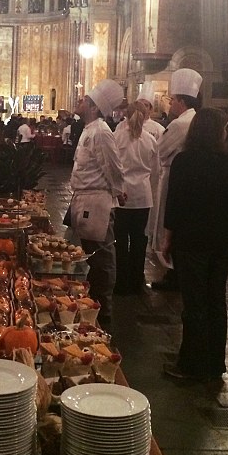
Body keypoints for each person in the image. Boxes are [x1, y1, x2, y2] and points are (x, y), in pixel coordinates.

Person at [161, 108, 228, 382]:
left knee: (195, 303)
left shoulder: (184, 161)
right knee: (216, 301)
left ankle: (190, 364)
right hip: (222, 242)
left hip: (191, 241)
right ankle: (214, 363)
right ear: (218, 132)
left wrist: (167, 238)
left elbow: (174, 203)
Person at [69, 79, 125, 328]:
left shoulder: (101, 132)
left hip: (97, 202)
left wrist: (119, 191)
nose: (79, 102)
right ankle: (91, 304)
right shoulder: (90, 129)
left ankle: (103, 312)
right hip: (85, 199)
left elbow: (113, 166)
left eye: (84, 100)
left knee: (101, 259)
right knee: (89, 256)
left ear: (93, 106)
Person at [149, 67, 203, 291]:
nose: (169, 105)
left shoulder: (180, 124)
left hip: (172, 176)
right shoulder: (196, 120)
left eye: (172, 101)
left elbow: (159, 151)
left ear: (181, 101)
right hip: (191, 179)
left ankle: (172, 272)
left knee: (168, 223)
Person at [113, 101, 159, 295]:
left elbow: (113, 166)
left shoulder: (117, 137)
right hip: (142, 194)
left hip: (122, 194)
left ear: (126, 114)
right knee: (139, 239)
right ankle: (137, 279)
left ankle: (121, 280)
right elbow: (156, 171)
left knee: (120, 239)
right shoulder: (150, 139)